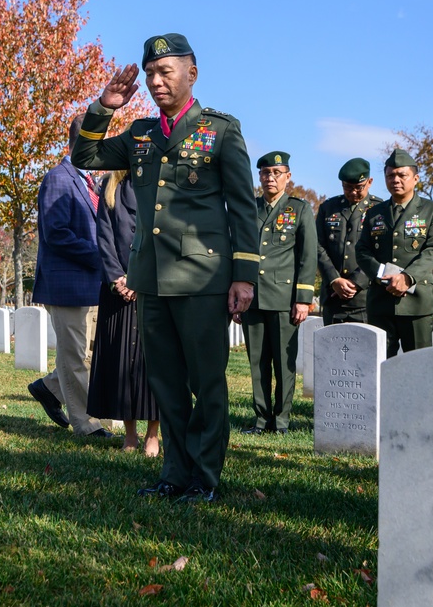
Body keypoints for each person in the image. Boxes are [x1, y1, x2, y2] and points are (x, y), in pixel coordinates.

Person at [71, 32, 260, 503]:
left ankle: (205, 478)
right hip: (150, 278)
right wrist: (105, 105)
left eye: (165, 72)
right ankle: (174, 475)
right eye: (150, 73)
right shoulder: (140, 134)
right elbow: (84, 155)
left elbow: (243, 208)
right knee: (166, 383)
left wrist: (244, 276)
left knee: (207, 383)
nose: (156, 80)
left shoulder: (221, 130)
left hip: (202, 279)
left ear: (191, 74)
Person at [27, 114, 112, 439]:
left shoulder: (91, 182)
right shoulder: (59, 179)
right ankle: (86, 423)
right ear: (80, 143)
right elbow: (56, 233)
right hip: (67, 284)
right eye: (96, 144)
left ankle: (49, 389)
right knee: (75, 355)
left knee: (87, 353)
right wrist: (99, 254)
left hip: (91, 283)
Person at [237, 151, 316, 436]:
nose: (270, 177)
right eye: (265, 173)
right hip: (252, 297)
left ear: (288, 176)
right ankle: (261, 419)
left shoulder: (299, 209)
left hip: (284, 299)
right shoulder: (249, 208)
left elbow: (307, 256)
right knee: (257, 363)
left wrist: (303, 299)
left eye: (276, 172)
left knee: (284, 364)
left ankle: (281, 421)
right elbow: (238, 251)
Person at [86, 170, 161, 456]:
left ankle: (153, 434)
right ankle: (130, 433)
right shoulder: (109, 186)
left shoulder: (160, 182)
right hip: (116, 288)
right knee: (121, 362)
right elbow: (103, 236)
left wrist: (140, 279)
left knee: (153, 362)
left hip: (153, 287)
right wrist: (118, 277)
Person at [355, 149, 433, 358]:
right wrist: (382, 275)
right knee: (380, 368)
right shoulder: (374, 213)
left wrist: (407, 277)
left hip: (416, 306)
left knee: (419, 368)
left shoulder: (432, 211)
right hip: (381, 303)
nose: (395, 180)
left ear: (415, 178)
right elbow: (362, 251)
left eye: (401, 175)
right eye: (390, 175)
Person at [316, 158, 384, 325]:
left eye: (358, 188)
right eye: (348, 187)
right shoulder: (329, 208)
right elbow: (317, 246)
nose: (353, 192)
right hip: (333, 296)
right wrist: (334, 280)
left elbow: (382, 250)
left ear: (369, 182)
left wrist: (356, 282)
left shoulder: (380, 209)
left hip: (365, 297)